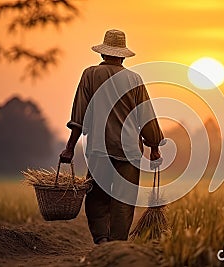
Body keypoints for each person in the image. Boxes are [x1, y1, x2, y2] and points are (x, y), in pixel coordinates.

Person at [59, 29, 164, 244]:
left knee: (97, 197)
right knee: (124, 201)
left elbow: (78, 115)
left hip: (99, 148)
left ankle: (102, 239)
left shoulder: (90, 74)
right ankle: (118, 245)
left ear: (102, 54)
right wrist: (154, 146)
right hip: (129, 152)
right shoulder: (134, 79)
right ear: (123, 55)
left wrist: (70, 147)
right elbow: (146, 115)